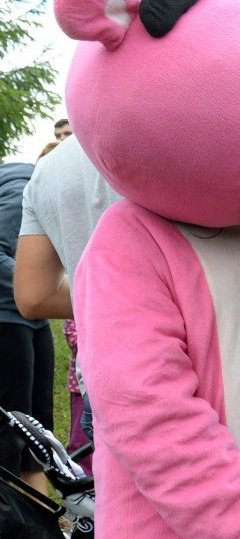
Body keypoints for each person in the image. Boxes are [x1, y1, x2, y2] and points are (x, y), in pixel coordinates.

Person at [15, 134, 123, 459]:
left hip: (103, 382)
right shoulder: (201, 125)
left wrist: (108, 299)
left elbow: (35, 295)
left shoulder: (50, 167)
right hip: (219, 377)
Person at [0, 160, 54, 492]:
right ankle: (13, 531)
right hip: (6, 318)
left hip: (35, 321)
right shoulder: (23, 181)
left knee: (38, 433)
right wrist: (43, 286)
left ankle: (43, 525)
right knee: (9, 434)